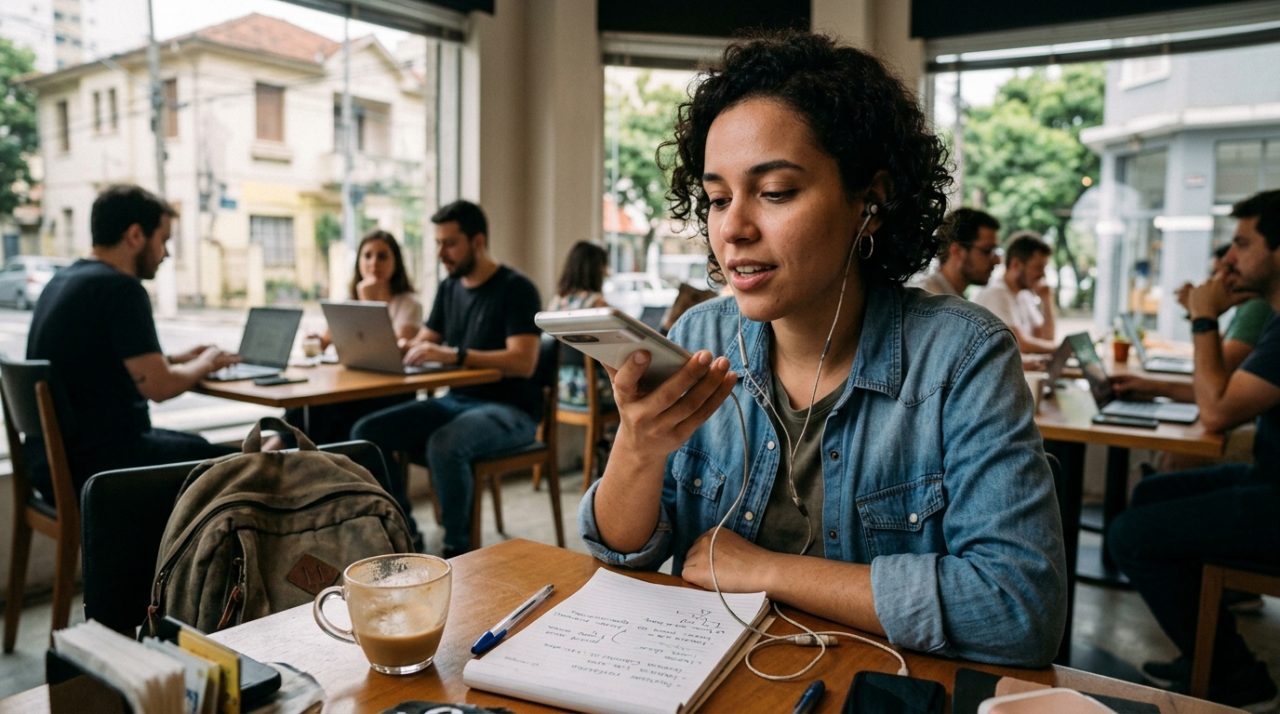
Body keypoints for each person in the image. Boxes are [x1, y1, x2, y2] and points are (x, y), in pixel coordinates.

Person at [579, 31, 1066, 667]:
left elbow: (1018, 609)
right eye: (719, 198)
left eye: (775, 191)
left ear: (872, 201)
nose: (733, 228)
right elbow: (623, 552)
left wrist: (768, 571)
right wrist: (637, 451)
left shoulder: (962, 357)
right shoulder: (700, 339)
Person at [1108, 189, 1280, 710]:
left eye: (1242, 244)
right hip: (1266, 478)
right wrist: (1148, 385)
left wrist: (1204, 317)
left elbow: (1217, 411)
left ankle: (1237, 679)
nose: (1228, 258)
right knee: (1153, 495)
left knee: (1130, 535)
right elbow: (1230, 391)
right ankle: (1203, 647)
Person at [25, 184, 239, 502]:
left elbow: (99, 361)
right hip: (101, 469)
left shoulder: (64, 280)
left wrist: (177, 359)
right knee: (241, 468)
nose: (165, 254)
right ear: (135, 235)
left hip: (51, 464)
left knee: (204, 448)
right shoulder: (120, 289)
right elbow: (160, 388)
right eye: (163, 240)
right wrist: (207, 362)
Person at [351, 200, 542, 555]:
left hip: (512, 410)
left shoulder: (516, 289)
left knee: (445, 444)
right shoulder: (449, 288)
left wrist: (456, 355)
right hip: (457, 401)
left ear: (478, 242)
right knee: (366, 433)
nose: (441, 253)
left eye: (449, 243)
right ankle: (405, 532)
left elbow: (524, 362)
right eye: (437, 243)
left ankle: (458, 551)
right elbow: (427, 339)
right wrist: (409, 344)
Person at [278, 230, 422, 444]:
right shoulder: (348, 302)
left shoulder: (409, 304)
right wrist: (316, 340)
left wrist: (369, 300)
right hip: (352, 385)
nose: (374, 262)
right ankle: (278, 455)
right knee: (304, 406)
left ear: (396, 262)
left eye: (382, 256)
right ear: (359, 262)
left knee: (321, 411)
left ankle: (274, 455)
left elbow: (395, 350)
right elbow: (324, 342)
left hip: (391, 390)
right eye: (367, 255)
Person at [547, 241, 614, 409]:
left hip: (559, 387)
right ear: (596, 269)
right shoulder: (597, 304)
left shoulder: (555, 302)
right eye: (604, 266)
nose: (607, 272)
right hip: (590, 392)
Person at [973, 232, 1058, 354]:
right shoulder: (996, 293)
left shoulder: (1024, 295)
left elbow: (1046, 339)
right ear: (1015, 264)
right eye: (1038, 267)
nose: (1043, 275)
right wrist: (1064, 348)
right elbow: (1020, 344)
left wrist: (1047, 299)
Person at [918, 208, 1002, 297]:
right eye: (987, 251)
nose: (997, 260)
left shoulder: (951, 296)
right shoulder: (927, 298)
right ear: (956, 250)